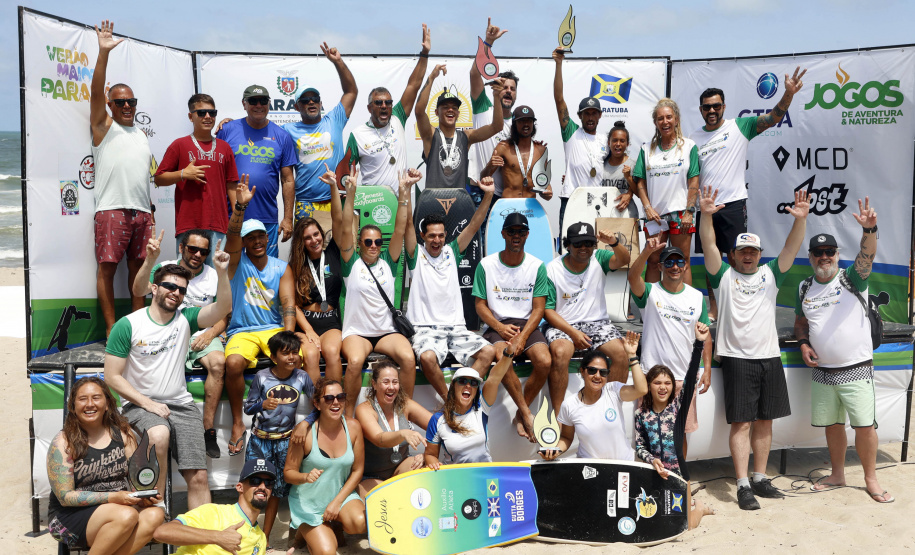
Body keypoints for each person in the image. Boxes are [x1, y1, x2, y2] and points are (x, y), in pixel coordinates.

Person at [700, 186, 809, 510]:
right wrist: (706, 215)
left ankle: (761, 478)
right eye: (742, 251)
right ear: (733, 254)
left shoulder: (770, 275)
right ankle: (743, 484)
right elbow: (708, 244)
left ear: (760, 254)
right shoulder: (722, 275)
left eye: (753, 251)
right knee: (742, 424)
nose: (748, 256)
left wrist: (800, 221)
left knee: (765, 422)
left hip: (769, 358)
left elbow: (791, 247)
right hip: (737, 359)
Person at [104, 253, 232, 509]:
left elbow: (223, 308)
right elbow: (111, 376)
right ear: (154, 288)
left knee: (199, 477)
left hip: (182, 406)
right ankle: (157, 511)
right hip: (139, 407)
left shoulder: (186, 318)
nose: (176, 292)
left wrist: (221, 272)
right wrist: (148, 404)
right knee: (159, 434)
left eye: (181, 290)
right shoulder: (128, 325)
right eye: (170, 286)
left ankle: (200, 539)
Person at [795, 198, 893, 504]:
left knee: (864, 426)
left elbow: (867, 254)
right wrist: (803, 343)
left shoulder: (852, 277)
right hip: (823, 372)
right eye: (818, 253)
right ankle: (837, 474)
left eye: (830, 252)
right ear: (810, 257)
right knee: (833, 426)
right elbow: (801, 322)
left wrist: (869, 229)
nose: (824, 257)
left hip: (856, 367)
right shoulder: (804, 287)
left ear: (838, 255)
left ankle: (871, 480)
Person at [691, 68, 806, 318]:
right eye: (707, 107)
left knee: (735, 256)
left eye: (716, 106)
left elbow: (774, 117)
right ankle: (714, 308)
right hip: (706, 208)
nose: (712, 111)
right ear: (701, 110)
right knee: (711, 262)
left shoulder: (740, 126)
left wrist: (788, 94)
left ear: (723, 107)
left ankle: (738, 304)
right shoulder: (693, 138)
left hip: (733, 204)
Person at [131, 228, 228, 459]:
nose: (197, 255)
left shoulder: (214, 274)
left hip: (201, 333)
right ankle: (162, 427)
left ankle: (208, 431)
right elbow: (138, 290)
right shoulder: (165, 268)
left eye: (203, 251)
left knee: (218, 363)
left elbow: (225, 313)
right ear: (181, 248)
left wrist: (210, 334)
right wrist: (150, 260)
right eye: (192, 249)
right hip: (166, 332)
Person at [223, 180, 302, 454]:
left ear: (266, 238)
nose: (257, 241)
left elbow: (289, 303)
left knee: (298, 357)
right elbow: (232, 233)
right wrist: (241, 206)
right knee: (233, 364)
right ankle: (237, 422)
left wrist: (289, 335)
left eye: (260, 236)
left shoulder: (281, 266)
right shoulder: (236, 261)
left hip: (272, 328)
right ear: (243, 242)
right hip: (242, 330)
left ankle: (302, 418)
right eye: (250, 238)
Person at [336, 165, 421, 415]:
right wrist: (350, 192)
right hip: (357, 333)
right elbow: (346, 224)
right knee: (353, 363)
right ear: (359, 244)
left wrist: (404, 193)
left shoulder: (388, 261)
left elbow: (400, 227)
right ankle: (348, 416)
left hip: (385, 331)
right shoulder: (351, 262)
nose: (374, 245)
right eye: (368, 242)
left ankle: (403, 413)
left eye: (377, 242)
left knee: (408, 358)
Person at [46, 376, 164, 553]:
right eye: (82, 399)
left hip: (120, 510)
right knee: (127, 515)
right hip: (70, 516)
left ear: (107, 404)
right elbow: (65, 497)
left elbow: (136, 481)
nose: (90, 404)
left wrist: (145, 496)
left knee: (155, 514)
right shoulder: (63, 442)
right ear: (73, 406)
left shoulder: (123, 435)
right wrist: (113, 497)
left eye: (96, 397)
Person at [89, 20, 155, 337]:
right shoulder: (103, 126)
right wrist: (103, 54)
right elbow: (95, 91)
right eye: (120, 102)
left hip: (142, 212)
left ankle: (137, 327)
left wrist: (150, 211)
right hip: (112, 209)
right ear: (110, 104)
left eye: (131, 102)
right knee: (107, 270)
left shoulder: (141, 135)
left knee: (139, 271)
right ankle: (113, 329)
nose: (127, 106)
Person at [405, 178, 497, 400]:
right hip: (425, 329)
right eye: (431, 236)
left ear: (446, 236)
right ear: (422, 237)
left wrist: (488, 194)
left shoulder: (451, 252)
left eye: (440, 235)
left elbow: (475, 224)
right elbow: (407, 223)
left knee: (489, 353)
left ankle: (462, 395)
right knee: (427, 358)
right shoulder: (416, 254)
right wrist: (406, 191)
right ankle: (450, 401)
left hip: (456, 328)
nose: (436, 240)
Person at [472, 212, 551, 440]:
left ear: (527, 235)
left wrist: (522, 338)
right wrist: (499, 327)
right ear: (503, 234)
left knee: (545, 361)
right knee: (501, 354)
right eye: (512, 232)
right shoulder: (486, 265)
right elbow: (480, 306)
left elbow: (538, 309)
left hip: (527, 325)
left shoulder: (537, 266)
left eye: (521, 232)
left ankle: (519, 413)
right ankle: (527, 414)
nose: (516, 236)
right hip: (498, 325)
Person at [628, 239, 712, 444]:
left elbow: (705, 333)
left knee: (679, 435)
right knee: (648, 432)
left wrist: (707, 368)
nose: (674, 266)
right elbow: (632, 277)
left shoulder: (696, 296)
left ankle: (681, 477)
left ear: (685, 266)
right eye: (668, 262)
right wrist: (648, 251)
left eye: (679, 262)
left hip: (685, 377)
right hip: (653, 377)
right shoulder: (649, 292)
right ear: (660, 267)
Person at [634, 322, 716, 530]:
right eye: (657, 383)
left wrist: (699, 342)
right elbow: (640, 447)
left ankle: (700, 508)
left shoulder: (677, 409)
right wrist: (652, 460)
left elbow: (689, 378)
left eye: (667, 383)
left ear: (673, 388)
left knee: (683, 526)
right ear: (649, 386)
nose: (662, 387)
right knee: (653, 522)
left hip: (678, 475)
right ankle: (693, 505)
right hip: (653, 475)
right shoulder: (641, 414)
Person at [544, 222, 630, 413]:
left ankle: (610, 409)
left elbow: (624, 259)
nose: (583, 248)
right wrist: (573, 333)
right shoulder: (552, 269)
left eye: (588, 244)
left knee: (621, 353)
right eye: (578, 244)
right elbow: (547, 311)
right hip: (564, 324)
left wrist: (614, 243)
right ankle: (558, 414)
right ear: (567, 246)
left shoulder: (599, 257)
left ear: (594, 246)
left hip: (597, 323)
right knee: (560, 353)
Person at [336, 24, 431, 194]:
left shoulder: (397, 118)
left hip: (402, 199)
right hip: (374, 203)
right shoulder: (358, 135)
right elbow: (346, 173)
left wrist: (424, 54)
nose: (384, 106)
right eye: (379, 103)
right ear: (369, 107)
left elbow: (413, 85)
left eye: (388, 102)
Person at [243, 331, 315, 544]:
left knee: (276, 492)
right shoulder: (262, 377)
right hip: (260, 441)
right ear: (274, 357)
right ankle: (249, 535)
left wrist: (305, 423)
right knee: (255, 487)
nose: (292, 357)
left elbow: (319, 404)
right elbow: (248, 408)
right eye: (286, 353)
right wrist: (262, 405)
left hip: (286, 442)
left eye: (295, 352)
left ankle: (265, 538)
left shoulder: (302, 377)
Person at [154, 93, 239, 265]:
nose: (207, 117)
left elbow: (231, 184)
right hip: (188, 224)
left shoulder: (225, 147)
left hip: (218, 225)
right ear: (190, 116)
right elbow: (158, 178)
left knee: (215, 278)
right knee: (185, 278)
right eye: (201, 113)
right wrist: (183, 173)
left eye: (212, 113)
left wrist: (237, 217)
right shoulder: (179, 144)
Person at [285, 379, 367, 555]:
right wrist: (304, 477)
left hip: (339, 498)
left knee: (360, 522)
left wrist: (336, 503)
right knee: (327, 552)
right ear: (317, 403)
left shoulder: (353, 427)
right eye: (328, 398)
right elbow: (288, 473)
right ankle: (304, 531)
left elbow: (358, 470)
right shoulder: (303, 433)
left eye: (340, 397)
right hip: (310, 503)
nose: (336, 402)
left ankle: (334, 522)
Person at [284, 42, 357, 233]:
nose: (311, 102)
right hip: (306, 203)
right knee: (306, 257)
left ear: (320, 103)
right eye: (305, 100)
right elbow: (259, 128)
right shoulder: (287, 130)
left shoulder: (334, 120)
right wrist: (230, 124)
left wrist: (338, 62)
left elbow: (351, 91)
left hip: (338, 198)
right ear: (296, 107)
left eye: (314, 99)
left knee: (341, 253)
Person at [216, 85, 296, 257]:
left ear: (269, 104)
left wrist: (288, 218)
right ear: (244, 104)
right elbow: (216, 172)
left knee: (266, 272)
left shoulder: (282, 136)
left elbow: (288, 180)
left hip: (266, 219)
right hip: (232, 217)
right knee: (231, 271)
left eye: (263, 101)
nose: (258, 105)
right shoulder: (227, 130)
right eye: (253, 101)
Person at [539, 331, 646, 460]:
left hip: (623, 466)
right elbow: (566, 438)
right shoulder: (569, 405)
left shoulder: (613, 390)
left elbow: (641, 390)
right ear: (582, 371)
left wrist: (632, 356)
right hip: (590, 470)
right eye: (592, 370)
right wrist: (555, 451)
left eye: (603, 372)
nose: (597, 376)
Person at [632, 98, 700, 284]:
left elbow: (694, 180)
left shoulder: (688, 146)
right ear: (655, 122)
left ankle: (685, 308)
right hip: (656, 216)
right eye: (660, 118)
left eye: (669, 117)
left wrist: (689, 211)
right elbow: (640, 182)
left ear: (676, 119)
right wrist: (647, 207)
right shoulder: (646, 149)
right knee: (653, 260)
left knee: (683, 260)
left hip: (681, 214)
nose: (665, 122)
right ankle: (651, 307)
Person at [153, 458, 277, 555]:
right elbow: (162, 532)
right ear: (240, 487)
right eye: (255, 481)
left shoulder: (261, 539)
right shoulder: (215, 512)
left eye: (268, 483)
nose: (262, 487)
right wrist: (218, 537)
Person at [416, 64, 506, 189]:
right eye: (445, 107)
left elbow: (496, 127)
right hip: (433, 202)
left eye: (454, 107)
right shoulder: (430, 135)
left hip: (459, 202)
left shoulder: (466, 136)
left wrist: (497, 96)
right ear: (437, 112)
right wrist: (431, 78)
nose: (450, 110)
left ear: (458, 113)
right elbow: (419, 111)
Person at [551, 47, 608, 243]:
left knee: (596, 248)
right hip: (571, 199)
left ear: (600, 115)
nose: (590, 117)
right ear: (579, 116)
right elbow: (559, 99)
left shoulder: (606, 141)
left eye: (594, 113)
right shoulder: (571, 132)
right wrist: (558, 64)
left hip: (598, 200)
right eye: (586, 113)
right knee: (568, 247)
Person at [424, 350, 515, 468]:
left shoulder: (482, 408)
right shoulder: (437, 420)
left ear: (477, 389)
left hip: (485, 476)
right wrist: (433, 464)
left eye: (473, 383)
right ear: (453, 386)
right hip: (456, 478)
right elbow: (430, 454)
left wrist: (508, 354)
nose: (468, 385)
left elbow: (494, 378)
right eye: (462, 381)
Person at [354, 359, 433, 496]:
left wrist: (428, 454)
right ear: (374, 384)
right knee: (386, 500)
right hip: (370, 476)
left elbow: (438, 427)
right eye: (386, 382)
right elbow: (379, 439)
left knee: (433, 470)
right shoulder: (365, 409)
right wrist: (402, 434)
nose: (391, 387)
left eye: (395, 382)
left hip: (400, 468)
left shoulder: (405, 404)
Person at [289, 215, 344, 386]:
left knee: (332, 351)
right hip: (305, 325)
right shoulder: (295, 266)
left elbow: (339, 220)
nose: (314, 240)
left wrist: (336, 189)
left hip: (330, 322)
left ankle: (334, 400)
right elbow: (292, 304)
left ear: (322, 234)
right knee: (311, 355)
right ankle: (316, 404)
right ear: (301, 242)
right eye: (307, 237)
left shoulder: (334, 252)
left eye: (316, 234)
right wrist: (309, 331)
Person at [467, 18, 516, 202]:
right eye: (504, 87)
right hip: (478, 190)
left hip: (505, 194)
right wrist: (488, 43)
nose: (508, 91)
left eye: (512, 88)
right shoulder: (483, 107)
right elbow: (474, 74)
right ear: (495, 87)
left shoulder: (520, 123)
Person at [481, 105, 553, 200]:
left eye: (529, 121)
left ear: (533, 124)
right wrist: (490, 165)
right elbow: (483, 177)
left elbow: (544, 183)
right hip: (509, 203)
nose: (526, 124)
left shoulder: (541, 150)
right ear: (514, 124)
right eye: (522, 121)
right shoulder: (503, 147)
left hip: (530, 205)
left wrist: (547, 192)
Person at [602, 120, 640, 219]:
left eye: (622, 141)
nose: (618, 144)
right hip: (604, 216)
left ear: (627, 144)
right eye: (614, 140)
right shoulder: (601, 165)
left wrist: (628, 178)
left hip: (628, 216)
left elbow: (640, 193)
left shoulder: (633, 164)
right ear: (608, 143)